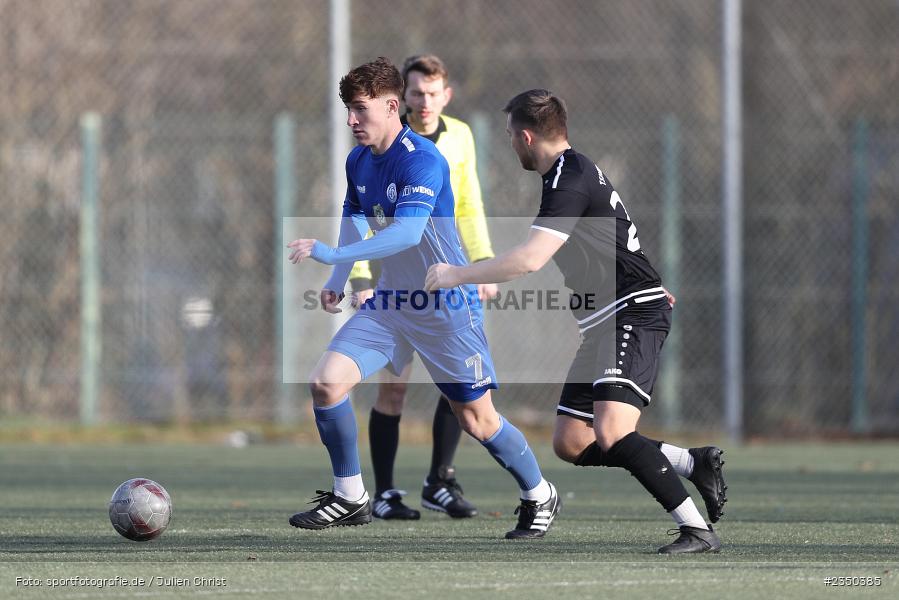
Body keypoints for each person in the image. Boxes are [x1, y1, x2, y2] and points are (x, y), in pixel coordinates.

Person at [425, 89, 727, 554]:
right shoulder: (569, 173)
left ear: (527, 137)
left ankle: (695, 529)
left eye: (510, 137)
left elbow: (530, 259)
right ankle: (692, 462)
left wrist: (456, 274)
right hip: (608, 318)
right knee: (572, 441)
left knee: (612, 433)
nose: (511, 146)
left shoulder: (570, 177)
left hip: (630, 313)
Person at [286, 59, 560, 539]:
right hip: (392, 304)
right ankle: (351, 495)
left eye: (359, 110)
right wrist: (339, 274)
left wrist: (334, 252)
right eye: (348, 110)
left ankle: (539, 493)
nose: (351, 120)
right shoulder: (358, 160)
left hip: (445, 309)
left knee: (477, 420)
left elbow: (408, 234)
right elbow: (355, 215)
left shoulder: (422, 160)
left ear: (392, 107)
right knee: (326, 383)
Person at [348, 54, 498, 521]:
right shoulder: (382, 144)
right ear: (401, 100)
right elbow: (360, 215)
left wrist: (483, 265)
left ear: (446, 95)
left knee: (460, 391)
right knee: (392, 389)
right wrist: (358, 278)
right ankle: (386, 493)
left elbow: (468, 203)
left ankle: (440, 480)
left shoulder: (459, 138)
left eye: (433, 93)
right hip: (395, 284)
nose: (425, 101)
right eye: (416, 94)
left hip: (448, 279)